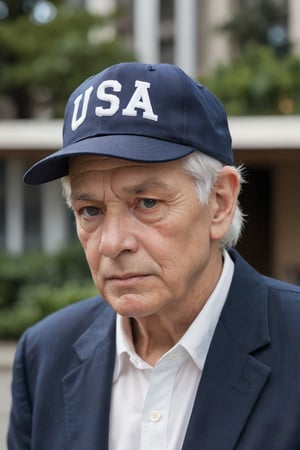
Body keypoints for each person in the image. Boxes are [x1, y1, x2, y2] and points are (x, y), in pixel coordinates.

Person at [7, 62, 300, 450]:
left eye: (147, 203)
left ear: (219, 202)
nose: (112, 243)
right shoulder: (44, 355)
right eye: (90, 210)